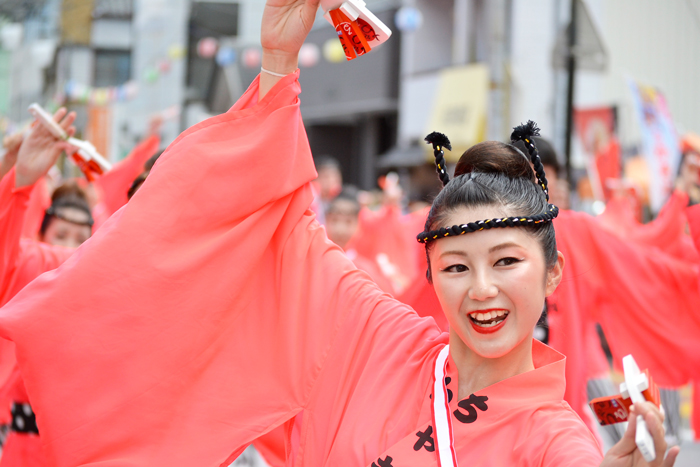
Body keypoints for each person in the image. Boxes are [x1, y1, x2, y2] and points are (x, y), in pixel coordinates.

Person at [0, 1, 676, 466]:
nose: (483, 288)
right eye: (457, 266)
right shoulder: (381, 334)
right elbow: (281, 228)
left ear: (552, 274)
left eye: (506, 261)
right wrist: (276, 64)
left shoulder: (551, 435)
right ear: (431, 273)